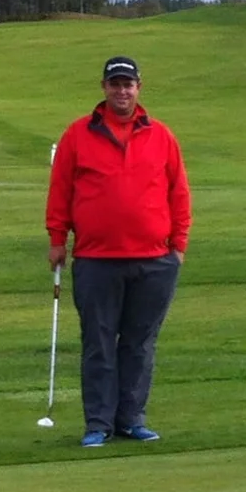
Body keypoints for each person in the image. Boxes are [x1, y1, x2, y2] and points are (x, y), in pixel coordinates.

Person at [45, 55, 190, 447]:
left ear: (139, 88)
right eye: (115, 84)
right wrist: (57, 239)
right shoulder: (78, 134)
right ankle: (98, 424)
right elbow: (60, 191)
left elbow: (178, 192)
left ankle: (131, 418)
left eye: (128, 84)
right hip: (96, 259)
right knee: (99, 342)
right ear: (104, 88)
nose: (122, 90)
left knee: (140, 343)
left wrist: (178, 246)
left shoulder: (161, 136)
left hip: (154, 260)